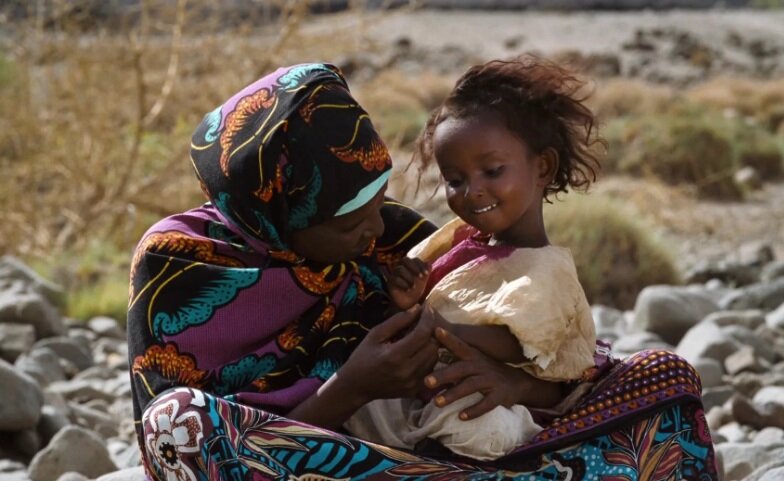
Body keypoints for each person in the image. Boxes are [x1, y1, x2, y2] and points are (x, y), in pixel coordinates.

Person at [128, 62, 719, 480]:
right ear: (273, 217)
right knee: (177, 426)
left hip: (430, 447)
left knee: (660, 378)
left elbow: (564, 355)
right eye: (345, 223)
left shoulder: (390, 235)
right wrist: (352, 388)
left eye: (377, 200)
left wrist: (515, 384)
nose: (372, 231)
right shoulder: (183, 266)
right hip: (308, 464)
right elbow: (187, 454)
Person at [343, 55, 601, 461]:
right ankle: (408, 453)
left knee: (483, 424)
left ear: (543, 167)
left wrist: (433, 325)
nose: (472, 191)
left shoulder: (544, 268)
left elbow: (522, 344)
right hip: (427, 390)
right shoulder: (458, 241)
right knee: (362, 400)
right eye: (455, 180)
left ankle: (439, 460)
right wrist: (405, 301)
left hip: (486, 400)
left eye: (493, 171)